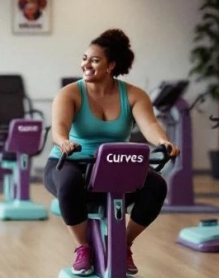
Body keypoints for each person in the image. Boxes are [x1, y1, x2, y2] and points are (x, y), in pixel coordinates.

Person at [44, 29, 179, 276]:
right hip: (70, 161)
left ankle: (125, 244)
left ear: (111, 65)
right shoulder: (70, 93)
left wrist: (164, 141)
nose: (86, 64)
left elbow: (150, 125)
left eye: (94, 60)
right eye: (84, 58)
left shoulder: (134, 95)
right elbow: (59, 129)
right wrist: (64, 142)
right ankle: (82, 248)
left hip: (116, 165)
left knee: (156, 185)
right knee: (70, 182)